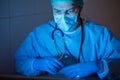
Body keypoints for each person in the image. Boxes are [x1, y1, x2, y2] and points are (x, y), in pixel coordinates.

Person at [14, 0, 120, 79]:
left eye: (69, 11)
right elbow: (19, 63)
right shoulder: (40, 33)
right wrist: (36, 64)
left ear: (80, 9)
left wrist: (100, 66)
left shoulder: (100, 34)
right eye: (57, 11)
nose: (63, 16)